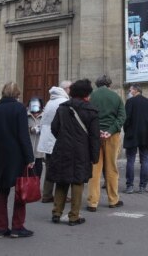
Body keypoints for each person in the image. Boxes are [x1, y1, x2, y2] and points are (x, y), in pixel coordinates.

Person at [48, 79, 100, 226]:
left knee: (61, 180)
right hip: (81, 150)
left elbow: (54, 127)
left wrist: (63, 138)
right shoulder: (91, 110)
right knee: (77, 181)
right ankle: (73, 216)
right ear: (87, 94)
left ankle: (56, 213)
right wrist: (94, 156)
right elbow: (95, 137)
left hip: (62, 148)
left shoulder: (63, 107)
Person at [0, 82, 35, 239]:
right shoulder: (19, 108)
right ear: (17, 94)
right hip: (17, 155)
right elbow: (23, 135)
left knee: (2, 192)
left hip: (0, 156)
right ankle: (17, 227)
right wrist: (29, 157)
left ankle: (0, 228)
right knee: (20, 191)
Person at [86, 75, 126, 212]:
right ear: (109, 84)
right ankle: (113, 200)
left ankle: (92, 202)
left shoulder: (91, 96)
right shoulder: (116, 97)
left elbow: (87, 116)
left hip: (94, 136)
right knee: (111, 168)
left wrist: (96, 130)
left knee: (94, 169)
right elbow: (122, 117)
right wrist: (110, 130)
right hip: (112, 136)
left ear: (97, 84)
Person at [37, 81, 72, 203]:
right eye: (70, 88)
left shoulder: (50, 101)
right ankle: (60, 196)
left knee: (49, 167)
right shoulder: (63, 102)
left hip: (47, 139)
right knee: (62, 167)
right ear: (66, 89)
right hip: (57, 139)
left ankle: (46, 194)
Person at [123, 84, 148, 193]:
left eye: (130, 90)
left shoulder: (130, 102)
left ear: (135, 90)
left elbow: (126, 119)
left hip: (132, 133)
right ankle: (143, 186)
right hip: (146, 134)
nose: (129, 92)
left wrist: (126, 129)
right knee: (145, 160)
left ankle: (130, 186)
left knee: (130, 160)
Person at [27, 97, 45, 177]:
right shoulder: (25, 115)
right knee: (28, 171)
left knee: (38, 169)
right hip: (28, 147)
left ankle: (36, 186)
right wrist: (30, 129)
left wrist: (42, 129)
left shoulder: (44, 116)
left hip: (39, 148)